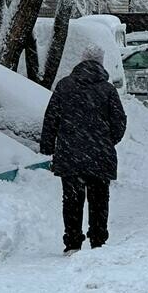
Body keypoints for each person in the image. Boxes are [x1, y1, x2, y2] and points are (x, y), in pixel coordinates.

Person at [40, 44, 127, 254]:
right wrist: (106, 141)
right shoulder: (107, 90)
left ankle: (72, 243)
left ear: (81, 59)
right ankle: (97, 240)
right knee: (99, 200)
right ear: (100, 62)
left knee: (72, 200)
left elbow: (51, 117)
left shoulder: (64, 86)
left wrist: (48, 146)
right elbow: (119, 122)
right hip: (99, 155)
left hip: (70, 154)